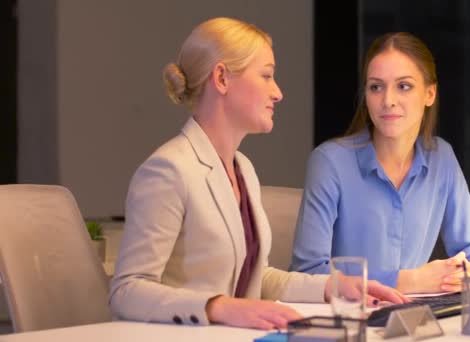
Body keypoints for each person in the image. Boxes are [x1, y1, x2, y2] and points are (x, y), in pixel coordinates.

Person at [109, 17, 406, 330]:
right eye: (267, 76)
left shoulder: (243, 169)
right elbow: (127, 291)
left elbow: (256, 278)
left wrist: (333, 287)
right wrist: (217, 306)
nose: (277, 93)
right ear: (221, 78)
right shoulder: (169, 169)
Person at [289, 32, 470, 294]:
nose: (388, 100)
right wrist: (410, 281)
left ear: (430, 93)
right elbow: (307, 273)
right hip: (348, 321)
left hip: (412, 320)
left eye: (404, 86)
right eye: (376, 87)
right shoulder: (330, 162)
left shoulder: (441, 157)